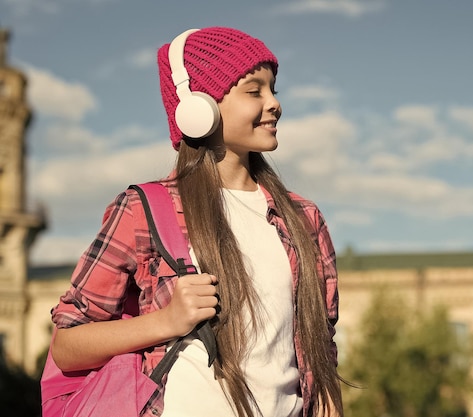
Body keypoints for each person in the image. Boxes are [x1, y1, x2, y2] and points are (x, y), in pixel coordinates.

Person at [50, 27, 343, 417]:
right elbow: (67, 348)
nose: (274, 104)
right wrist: (167, 321)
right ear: (197, 107)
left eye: (274, 89)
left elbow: (320, 354)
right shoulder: (144, 209)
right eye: (254, 91)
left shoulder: (304, 220)